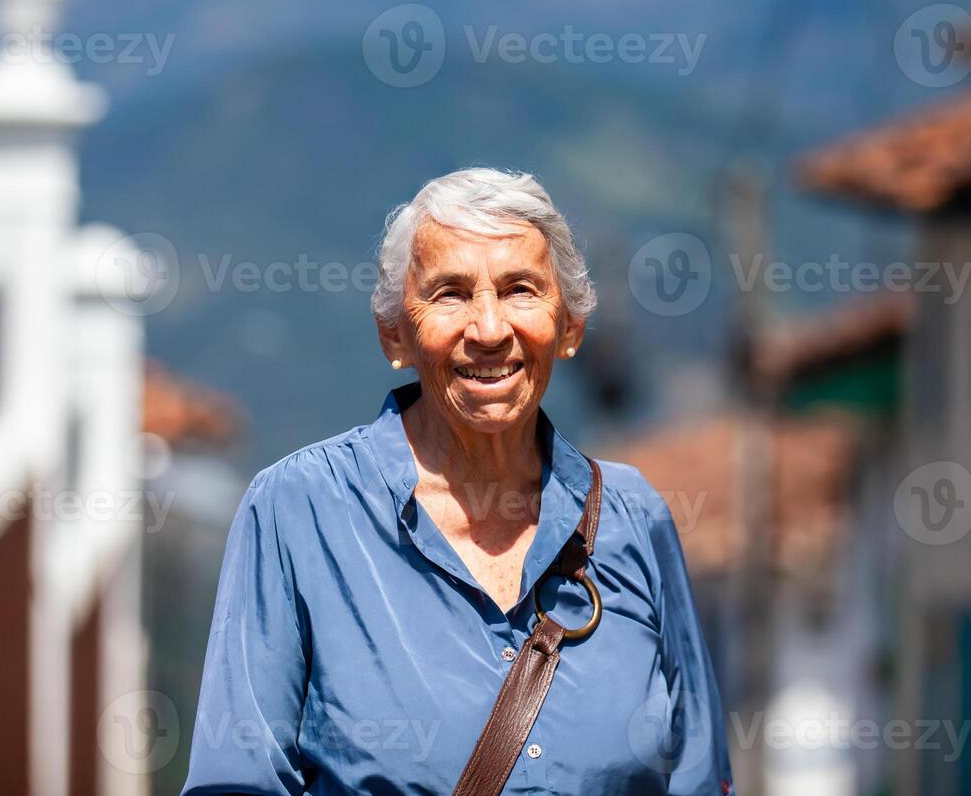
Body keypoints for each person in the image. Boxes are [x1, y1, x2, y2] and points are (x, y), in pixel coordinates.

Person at [182, 167, 735, 795]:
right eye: (450, 293)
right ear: (395, 333)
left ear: (571, 326)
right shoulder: (299, 510)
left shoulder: (636, 521)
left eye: (520, 289)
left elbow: (699, 775)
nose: (490, 330)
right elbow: (239, 782)